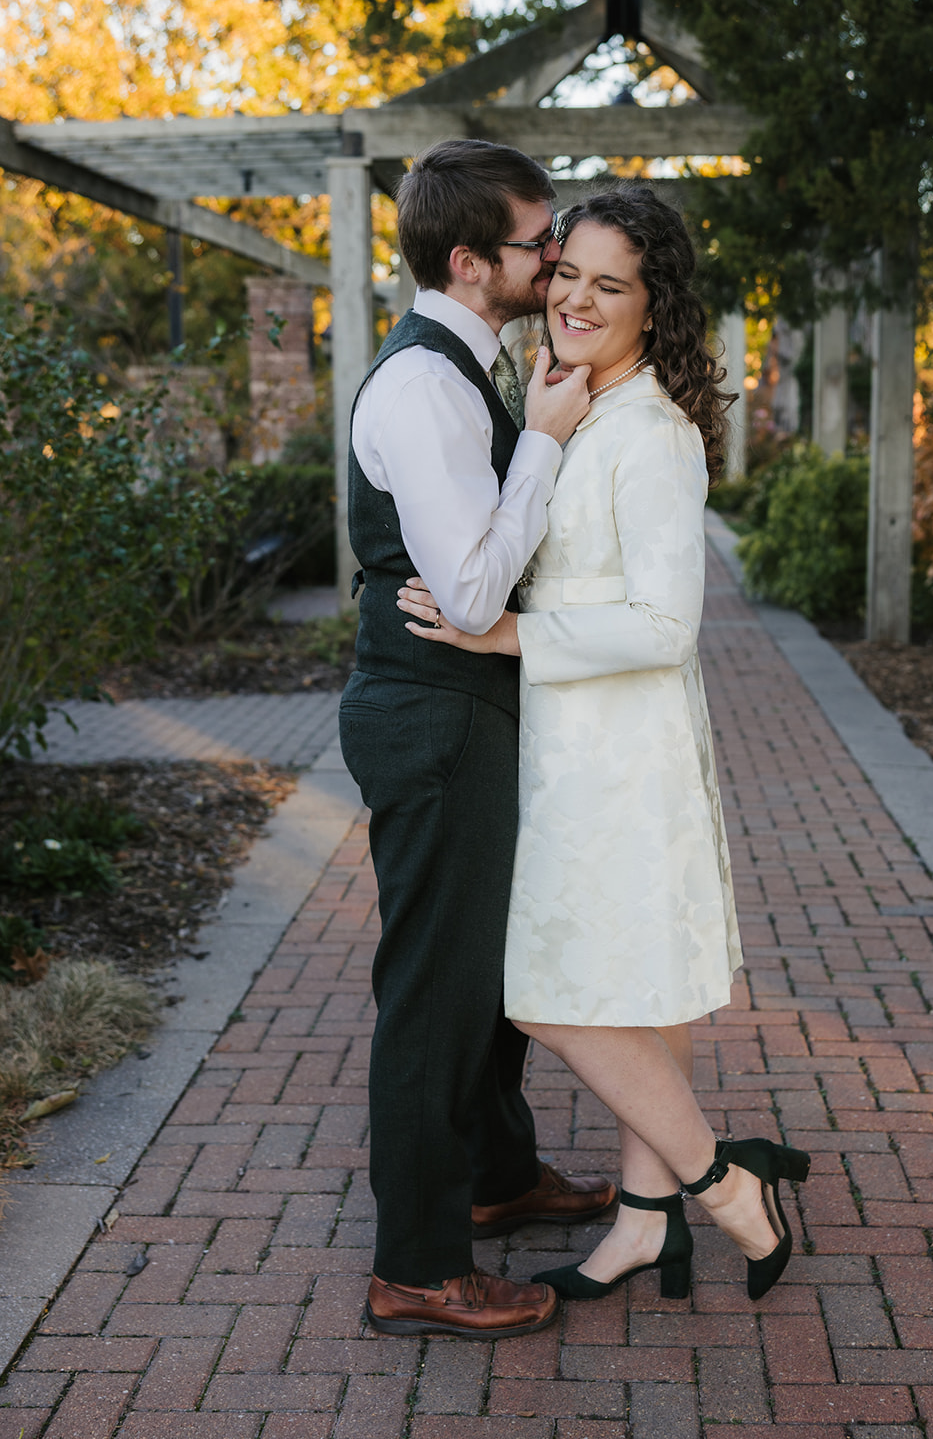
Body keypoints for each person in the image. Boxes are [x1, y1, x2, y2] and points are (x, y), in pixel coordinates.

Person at [398, 185, 811, 1305]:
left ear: (650, 303)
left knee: (550, 994)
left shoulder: (650, 435)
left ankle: (723, 1187)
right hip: (568, 741)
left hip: (622, 755)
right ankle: (641, 1222)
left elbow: (666, 626)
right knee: (635, 983)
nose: (575, 296)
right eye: (566, 271)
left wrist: (507, 631)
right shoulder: (573, 404)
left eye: (608, 283)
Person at [339, 139, 618, 1342]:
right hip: (435, 715)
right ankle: (415, 1264)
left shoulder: (473, 364)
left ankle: (500, 1177)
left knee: (489, 979)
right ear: (468, 260)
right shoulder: (424, 387)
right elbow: (465, 596)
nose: (554, 258)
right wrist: (547, 441)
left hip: (467, 711)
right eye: (536, 241)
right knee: (438, 990)